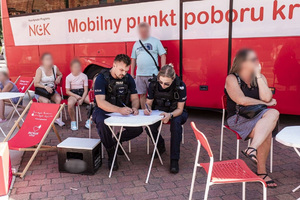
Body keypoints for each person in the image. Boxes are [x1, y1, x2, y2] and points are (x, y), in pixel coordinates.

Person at [225, 49, 279, 188]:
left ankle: (252, 148)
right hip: (238, 118)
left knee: (274, 113)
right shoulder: (232, 78)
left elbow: (268, 97)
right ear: (242, 62)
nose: (256, 61)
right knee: (266, 129)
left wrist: (259, 76)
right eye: (252, 59)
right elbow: (241, 100)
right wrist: (265, 104)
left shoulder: (260, 77)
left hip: (258, 116)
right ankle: (261, 173)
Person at [92, 54, 143, 171]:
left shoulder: (128, 78)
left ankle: (117, 140)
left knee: (138, 129)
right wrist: (119, 110)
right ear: (114, 65)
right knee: (101, 123)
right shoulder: (101, 78)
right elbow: (100, 102)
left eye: (126, 70)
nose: (123, 73)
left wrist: (135, 108)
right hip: (104, 109)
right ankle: (111, 153)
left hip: (123, 108)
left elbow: (135, 99)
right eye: (121, 70)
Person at [144, 64, 188, 174]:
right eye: (161, 82)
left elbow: (180, 109)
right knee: (149, 126)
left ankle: (174, 159)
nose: (163, 85)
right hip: (158, 109)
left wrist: (170, 115)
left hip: (176, 112)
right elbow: (148, 103)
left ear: (173, 79)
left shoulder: (180, 86)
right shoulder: (153, 84)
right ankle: (160, 145)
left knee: (176, 126)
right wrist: (147, 109)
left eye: (166, 83)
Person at [131, 22, 167, 109]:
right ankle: (144, 112)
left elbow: (163, 55)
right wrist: (132, 73)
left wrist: (162, 71)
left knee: (154, 95)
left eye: (145, 31)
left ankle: (153, 112)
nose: (143, 33)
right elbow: (133, 59)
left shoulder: (156, 41)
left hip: (153, 74)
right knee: (142, 95)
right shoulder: (136, 43)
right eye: (141, 31)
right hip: (140, 74)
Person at [34, 53, 65, 127]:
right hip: (41, 91)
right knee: (46, 101)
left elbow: (61, 74)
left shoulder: (54, 68)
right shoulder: (40, 70)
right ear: (43, 61)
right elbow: (36, 84)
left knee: (58, 99)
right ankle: (48, 118)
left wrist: (59, 77)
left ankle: (57, 118)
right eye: (47, 59)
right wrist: (45, 87)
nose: (49, 61)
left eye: (50, 59)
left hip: (51, 91)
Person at [65, 59, 90, 131]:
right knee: (70, 104)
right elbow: (67, 91)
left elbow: (86, 90)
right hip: (73, 93)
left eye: (78, 67)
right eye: (75, 67)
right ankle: (73, 121)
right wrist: (76, 96)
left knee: (93, 102)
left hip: (82, 92)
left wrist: (82, 99)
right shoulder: (68, 77)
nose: (77, 68)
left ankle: (89, 120)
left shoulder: (84, 76)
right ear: (71, 68)